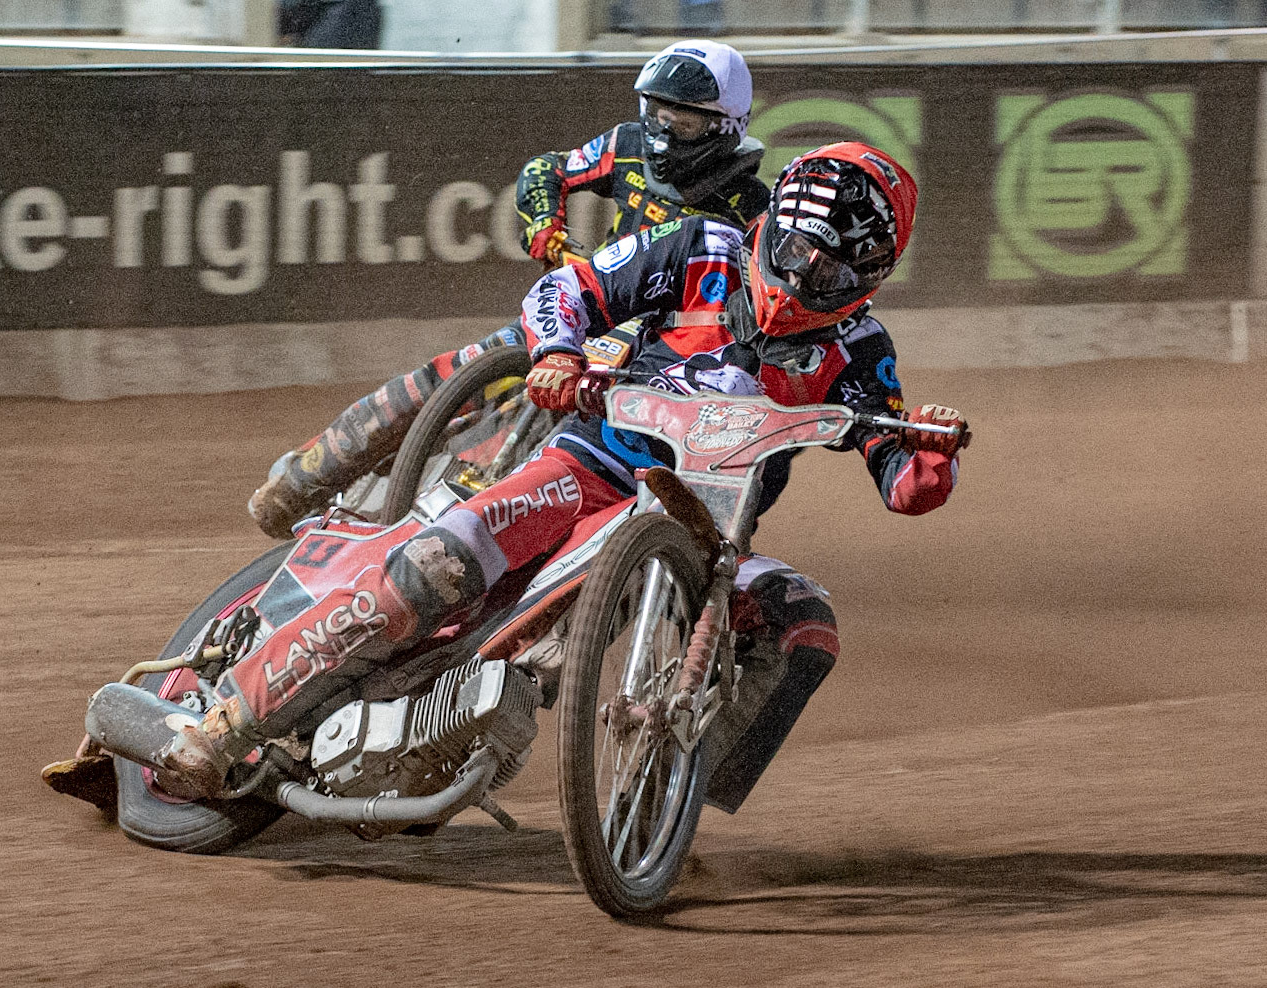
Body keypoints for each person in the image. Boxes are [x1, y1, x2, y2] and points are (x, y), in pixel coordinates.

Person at [158, 141, 971, 811]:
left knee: (806, 623)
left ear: (869, 281)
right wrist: (557, 353)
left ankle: (672, 800)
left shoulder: (861, 351)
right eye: (795, 254)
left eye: (829, 277)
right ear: (773, 225)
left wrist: (930, 462)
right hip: (591, 464)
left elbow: (900, 476)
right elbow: (568, 291)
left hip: (704, 536)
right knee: (440, 563)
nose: (801, 282)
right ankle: (224, 725)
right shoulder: (700, 249)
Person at [247, 39, 772, 540]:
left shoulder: (754, 208)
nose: (660, 131)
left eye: (679, 121)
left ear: (724, 126)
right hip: (591, 301)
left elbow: (761, 309)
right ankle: (304, 476)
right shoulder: (626, 145)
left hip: (661, 344)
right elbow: (547, 168)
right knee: (456, 369)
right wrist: (547, 227)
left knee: (608, 437)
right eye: (654, 112)